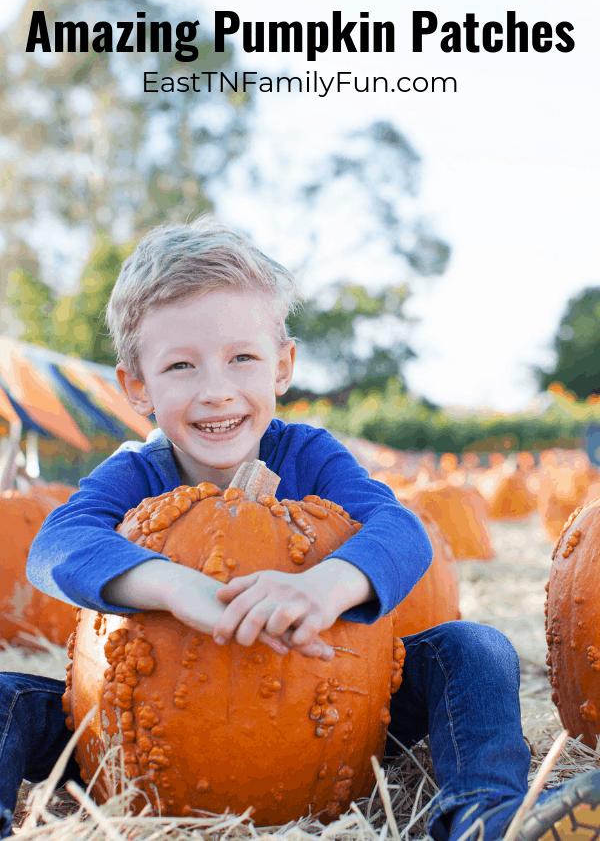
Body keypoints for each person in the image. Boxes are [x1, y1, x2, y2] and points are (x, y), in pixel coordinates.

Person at [1, 215, 599, 840]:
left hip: (333, 716)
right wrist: (179, 588)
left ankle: (486, 818)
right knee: (6, 699)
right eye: (181, 366)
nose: (216, 390)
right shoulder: (133, 474)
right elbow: (55, 546)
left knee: (475, 650)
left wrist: (324, 587)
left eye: (242, 359)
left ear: (281, 366)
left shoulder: (310, 456)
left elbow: (401, 531)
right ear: (136, 386)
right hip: (137, 733)